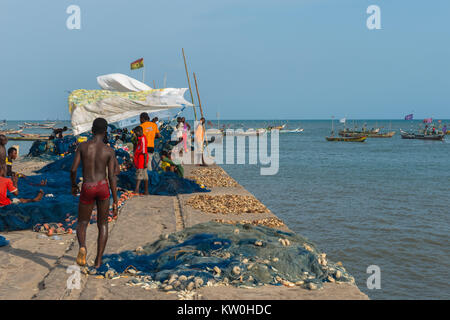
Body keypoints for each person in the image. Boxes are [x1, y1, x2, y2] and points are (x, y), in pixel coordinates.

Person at [70, 118, 118, 269]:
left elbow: (73, 169)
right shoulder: (109, 151)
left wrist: (73, 185)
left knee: (82, 223)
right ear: (105, 132)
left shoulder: (83, 147)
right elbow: (111, 176)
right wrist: (115, 199)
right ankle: (98, 262)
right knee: (102, 224)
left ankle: (83, 247)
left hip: (88, 186)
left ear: (91, 130)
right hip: (103, 186)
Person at [133, 126, 149, 195]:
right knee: (145, 175)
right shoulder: (140, 139)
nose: (135, 134)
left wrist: (145, 163)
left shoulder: (143, 139)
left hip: (142, 160)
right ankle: (146, 191)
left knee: (139, 174)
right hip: (140, 159)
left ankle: (136, 190)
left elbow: (145, 152)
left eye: (136, 133)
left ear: (139, 132)